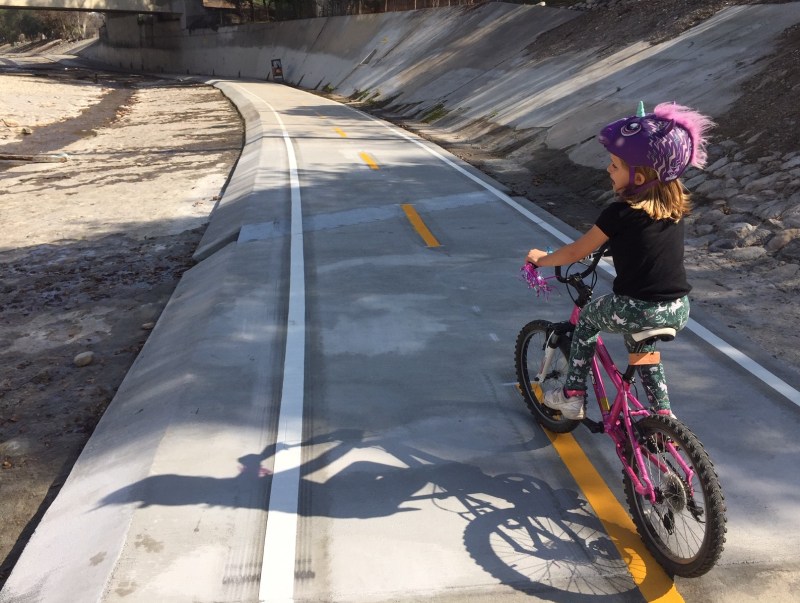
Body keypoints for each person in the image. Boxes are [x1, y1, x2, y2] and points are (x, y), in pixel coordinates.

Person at [526, 101, 715, 420]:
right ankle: (662, 416)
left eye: (614, 165)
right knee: (642, 349)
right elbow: (647, 247)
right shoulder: (672, 211)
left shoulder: (618, 214)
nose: (608, 170)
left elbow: (575, 252)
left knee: (587, 318)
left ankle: (572, 394)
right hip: (678, 308)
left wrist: (540, 260)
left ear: (639, 177)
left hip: (637, 307)